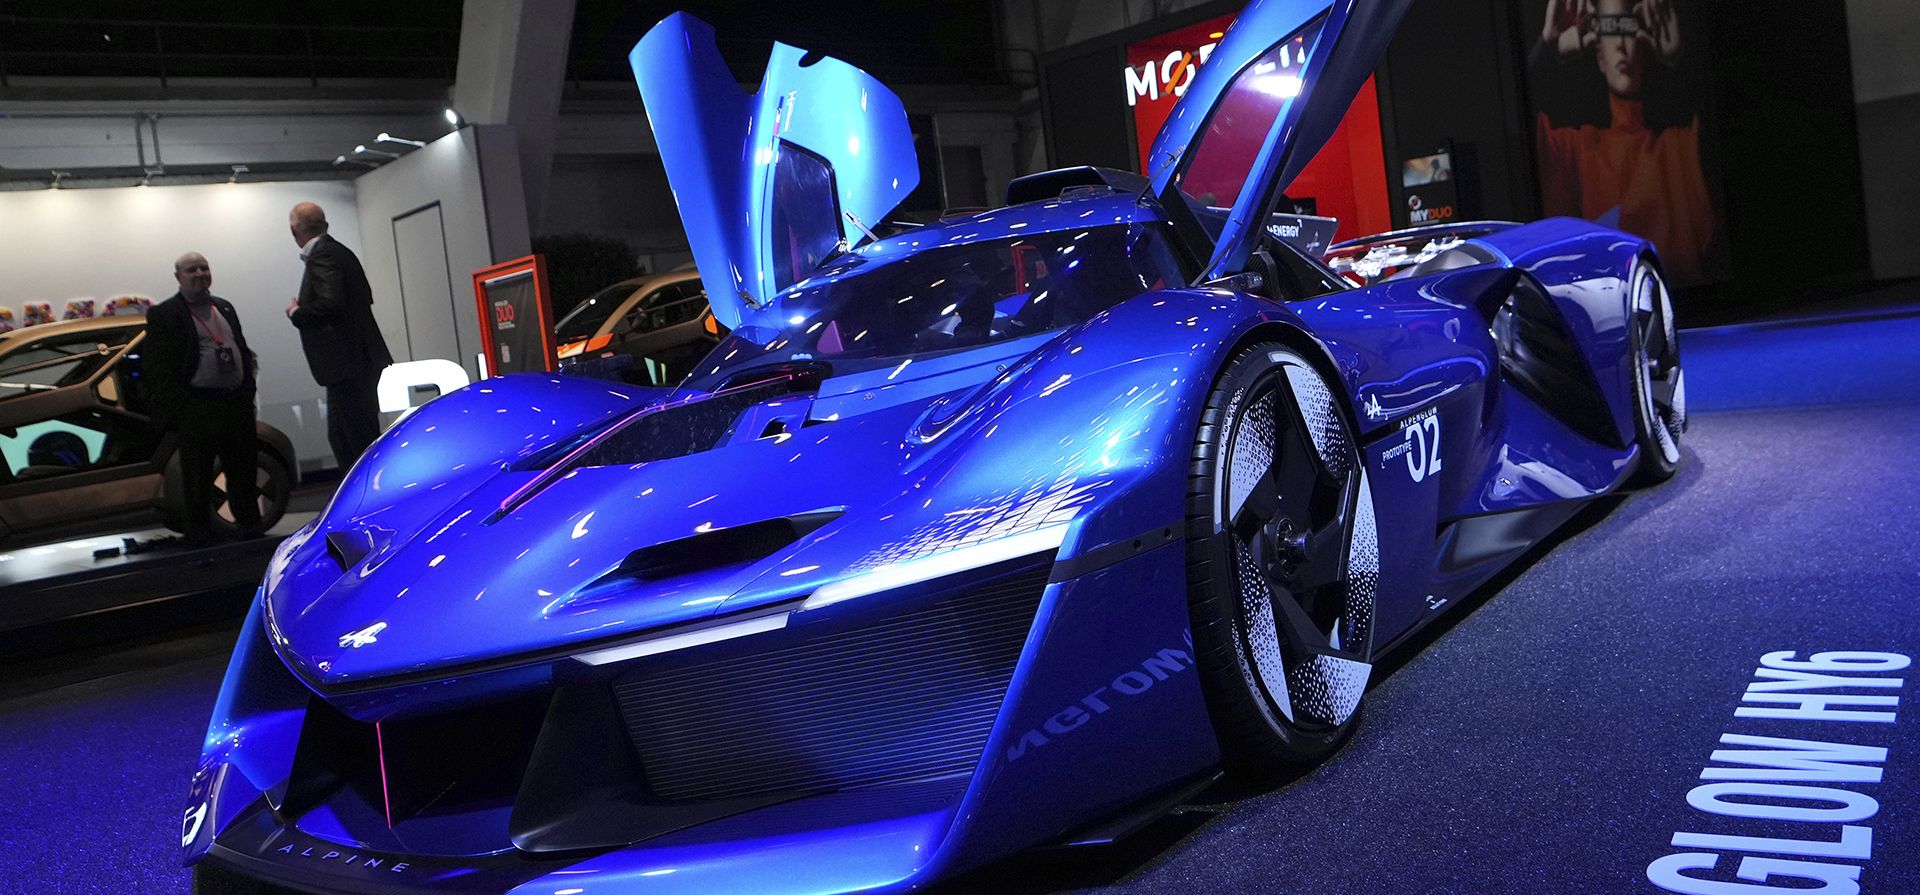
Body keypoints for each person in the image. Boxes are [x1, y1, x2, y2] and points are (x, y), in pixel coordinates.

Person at [1531, 0, 1723, 284]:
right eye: (1611, 29)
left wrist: (1679, 57)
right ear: (1599, 56)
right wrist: (1548, 48)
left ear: (1646, 44)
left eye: (1628, 28)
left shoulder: (1679, 150)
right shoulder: (1575, 150)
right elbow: (1514, 117)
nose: (1621, 45)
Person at [144, 252, 262, 545]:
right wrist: (181, 407)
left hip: (235, 404)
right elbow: (157, 367)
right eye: (191, 270)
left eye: (204, 268)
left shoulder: (224, 306)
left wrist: (247, 390)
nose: (199, 273)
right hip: (197, 408)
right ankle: (200, 539)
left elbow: (241, 349)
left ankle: (251, 532)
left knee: (243, 472)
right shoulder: (165, 313)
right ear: (178, 277)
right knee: (197, 478)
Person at [285, 202, 393, 470]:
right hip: (358, 361)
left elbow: (329, 303)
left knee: (352, 441)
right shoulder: (342, 252)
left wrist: (297, 312)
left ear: (293, 230)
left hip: (346, 365)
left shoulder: (322, 255)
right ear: (326, 224)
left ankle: (364, 502)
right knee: (350, 436)